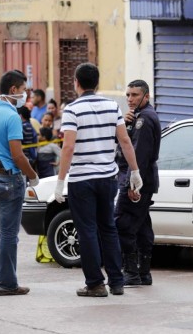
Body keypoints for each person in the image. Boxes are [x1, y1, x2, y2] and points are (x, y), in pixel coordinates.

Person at [55, 63, 142, 297]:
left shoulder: (72, 110)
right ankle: (116, 281)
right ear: (97, 83)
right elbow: (125, 141)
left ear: (76, 82)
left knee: (87, 231)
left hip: (82, 179)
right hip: (107, 178)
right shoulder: (112, 106)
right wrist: (135, 171)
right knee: (108, 229)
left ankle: (95, 283)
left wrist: (60, 181)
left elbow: (68, 146)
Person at [0, 69, 39, 296]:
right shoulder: (12, 116)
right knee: (10, 234)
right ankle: (7, 283)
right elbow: (18, 155)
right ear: (13, 90)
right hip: (7, 178)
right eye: (23, 90)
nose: (25, 95)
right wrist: (32, 175)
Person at [114, 79, 161, 285]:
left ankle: (131, 273)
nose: (130, 99)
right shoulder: (138, 118)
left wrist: (134, 185)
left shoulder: (145, 120)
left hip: (136, 180)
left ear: (146, 96)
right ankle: (143, 273)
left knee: (123, 224)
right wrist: (125, 124)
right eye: (128, 95)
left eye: (134, 95)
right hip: (140, 178)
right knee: (141, 226)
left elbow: (139, 154)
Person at [18, 106, 38, 171]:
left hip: (25, 157)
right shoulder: (29, 125)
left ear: (20, 115)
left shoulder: (23, 126)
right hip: (30, 156)